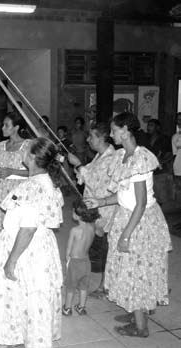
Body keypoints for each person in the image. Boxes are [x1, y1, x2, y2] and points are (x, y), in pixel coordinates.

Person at [85, 112, 172, 338]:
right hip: (127, 215)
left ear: (125, 130)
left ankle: (141, 327)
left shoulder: (140, 158)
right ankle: (136, 312)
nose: (111, 134)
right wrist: (102, 201)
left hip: (140, 222)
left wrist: (126, 235)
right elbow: (124, 193)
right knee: (128, 269)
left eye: (114, 130)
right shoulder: (123, 155)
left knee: (136, 271)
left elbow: (141, 203)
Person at [0, 137, 64, 348]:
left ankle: (26, 340)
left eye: (25, 149)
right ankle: (22, 338)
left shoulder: (32, 187)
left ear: (32, 157)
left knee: (25, 294)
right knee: (26, 296)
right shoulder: (45, 181)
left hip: (26, 250)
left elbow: (28, 227)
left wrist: (11, 260)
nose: (21, 151)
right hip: (37, 247)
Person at [67, 123, 116, 298]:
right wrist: (78, 166)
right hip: (94, 207)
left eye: (91, 136)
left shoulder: (111, 158)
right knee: (99, 247)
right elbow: (87, 176)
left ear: (102, 138)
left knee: (104, 248)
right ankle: (103, 284)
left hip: (104, 209)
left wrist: (79, 164)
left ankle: (105, 286)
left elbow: (98, 185)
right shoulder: (100, 155)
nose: (88, 139)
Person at [0, 112, 30, 231]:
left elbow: (37, 172)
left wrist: (12, 171)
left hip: (21, 190)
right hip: (2, 189)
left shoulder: (29, 145)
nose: (2, 128)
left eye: (6, 125)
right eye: (3, 125)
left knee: (19, 224)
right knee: (1, 223)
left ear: (16, 127)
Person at [63, 199, 99, 316]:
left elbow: (69, 248)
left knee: (70, 287)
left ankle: (67, 308)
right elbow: (100, 233)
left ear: (78, 215)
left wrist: (67, 260)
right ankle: (81, 307)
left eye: (73, 211)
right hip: (86, 262)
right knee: (84, 286)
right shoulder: (92, 228)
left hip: (75, 263)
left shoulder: (75, 230)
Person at [145, 119, 173, 205]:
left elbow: (169, 154)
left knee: (160, 196)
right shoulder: (145, 138)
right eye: (148, 125)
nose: (148, 127)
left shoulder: (164, 138)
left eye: (151, 125)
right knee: (148, 196)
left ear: (157, 127)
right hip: (147, 170)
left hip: (160, 171)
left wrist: (161, 161)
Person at [172, 112, 181, 202]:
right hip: (178, 167)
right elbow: (174, 154)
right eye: (178, 119)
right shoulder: (175, 137)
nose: (180, 121)